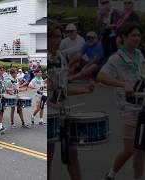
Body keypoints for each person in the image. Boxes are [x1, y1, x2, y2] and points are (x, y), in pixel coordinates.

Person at [97, 23, 145, 180]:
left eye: (138, 35)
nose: (137, 38)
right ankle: (111, 174)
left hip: (144, 107)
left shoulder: (139, 54)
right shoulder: (116, 58)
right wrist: (122, 84)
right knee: (129, 150)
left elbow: (143, 81)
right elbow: (101, 77)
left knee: (141, 149)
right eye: (133, 35)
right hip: (128, 109)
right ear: (123, 38)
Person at [48, 20, 94, 180]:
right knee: (49, 155)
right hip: (48, 114)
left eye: (59, 37)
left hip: (62, 112)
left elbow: (63, 88)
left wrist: (84, 89)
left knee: (72, 152)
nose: (57, 40)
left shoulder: (61, 57)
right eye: (53, 37)